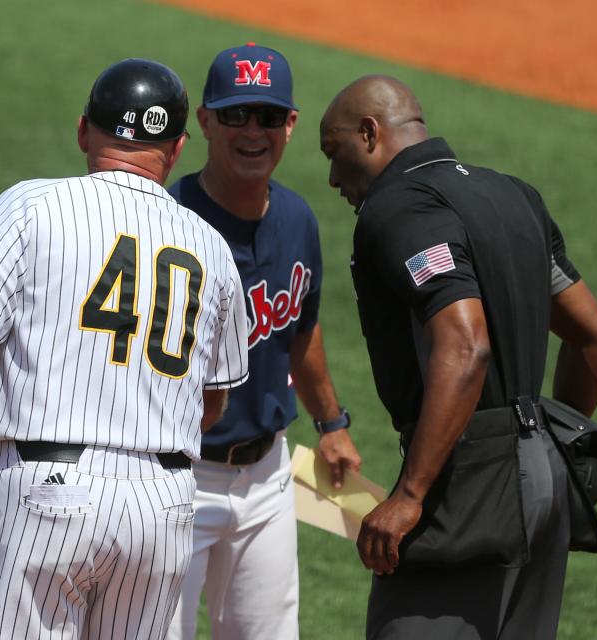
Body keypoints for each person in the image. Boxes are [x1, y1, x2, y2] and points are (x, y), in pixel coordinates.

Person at [0, 58, 250, 640]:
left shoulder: (31, 207)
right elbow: (213, 403)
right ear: (176, 150)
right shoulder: (213, 247)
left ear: (83, 131)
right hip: (164, 508)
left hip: (47, 496)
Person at [319, 75, 597, 639]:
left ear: (369, 132)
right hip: (544, 485)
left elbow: (466, 343)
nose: (334, 178)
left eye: (337, 153)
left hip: (471, 483)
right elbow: (594, 335)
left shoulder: (397, 207)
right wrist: (550, 443)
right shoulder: (513, 194)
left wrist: (409, 495)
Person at [166, 43, 362, 640]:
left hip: (271, 476)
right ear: (203, 121)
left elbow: (301, 330)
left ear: (291, 124)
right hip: (177, 478)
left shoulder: (299, 219)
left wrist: (331, 425)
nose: (253, 131)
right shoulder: (169, 219)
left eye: (268, 116)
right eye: (235, 115)